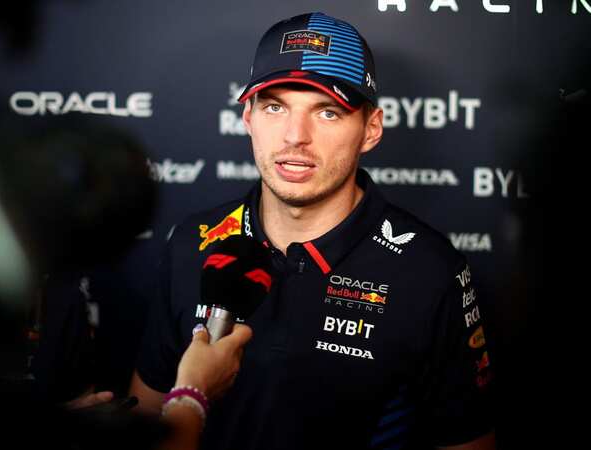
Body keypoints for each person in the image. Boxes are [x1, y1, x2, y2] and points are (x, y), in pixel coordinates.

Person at [131, 12, 495, 450]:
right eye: (274, 106)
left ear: (371, 129)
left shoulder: (430, 271)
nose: (294, 136)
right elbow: (147, 412)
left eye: (327, 112)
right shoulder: (194, 241)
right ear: (247, 117)